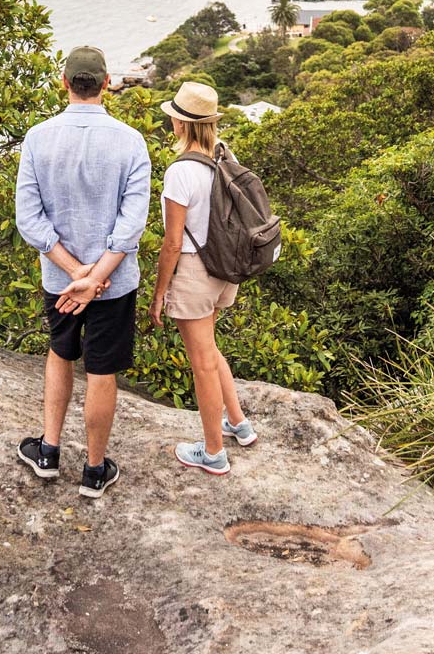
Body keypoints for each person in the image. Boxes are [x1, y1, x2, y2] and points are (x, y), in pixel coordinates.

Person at [14, 46, 151, 498]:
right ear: (107, 82)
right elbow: (132, 224)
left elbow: (29, 220)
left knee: (60, 353)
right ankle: (94, 470)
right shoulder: (130, 140)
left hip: (61, 281)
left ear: (65, 82)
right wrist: (96, 276)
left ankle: (49, 452)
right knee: (102, 371)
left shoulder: (37, 137)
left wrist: (76, 273)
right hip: (112, 284)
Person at [151, 80, 258, 477]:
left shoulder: (180, 172)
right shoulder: (223, 158)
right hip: (224, 270)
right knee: (210, 350)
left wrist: (160, 293)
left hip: (195, 272)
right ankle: (238, 423)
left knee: (201, 363)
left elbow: (173, 242)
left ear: (180, 125)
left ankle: (213, 451)